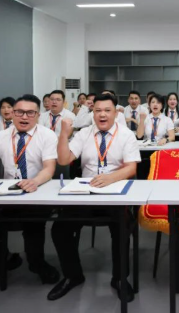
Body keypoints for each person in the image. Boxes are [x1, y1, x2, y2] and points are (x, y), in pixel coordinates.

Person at [48, 93, 140, 302]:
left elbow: (131, 168)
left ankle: (119, 278)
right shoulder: (84, 133)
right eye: (97, 111)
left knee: (122, 227)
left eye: (107, 110)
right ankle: (73, 275)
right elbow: (64, 159)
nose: (102, 115)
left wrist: (110, 178)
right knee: (60, 228)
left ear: (115, 113)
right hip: (86, 191)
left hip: (115, 192)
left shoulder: (126, 135)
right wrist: (64, 135)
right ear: (92, 113)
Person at [0, 94, 60, 285]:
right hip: (7, 193)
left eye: (30, 113)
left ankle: (37, 264)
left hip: (36, 192)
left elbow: (49, 168)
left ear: (38, 115)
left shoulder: (47, 135)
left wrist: (34, 182)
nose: (24, 117)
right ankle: (3, 260)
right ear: (12, 113)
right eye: (19, 112)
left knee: (32, 228)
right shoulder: (0, 136)